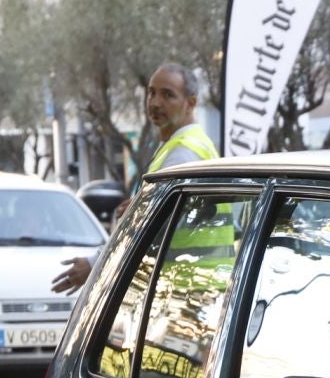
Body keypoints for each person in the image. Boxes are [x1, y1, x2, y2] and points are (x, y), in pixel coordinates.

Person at [53, 62, 218, 294]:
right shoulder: (188, 144)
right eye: (151, 93)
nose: (155, 102)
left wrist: (94, 264)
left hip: (185, 290)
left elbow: (149, 226)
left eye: (167, 95)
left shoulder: (183, 152)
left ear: (190, 103)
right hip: (193, 287)